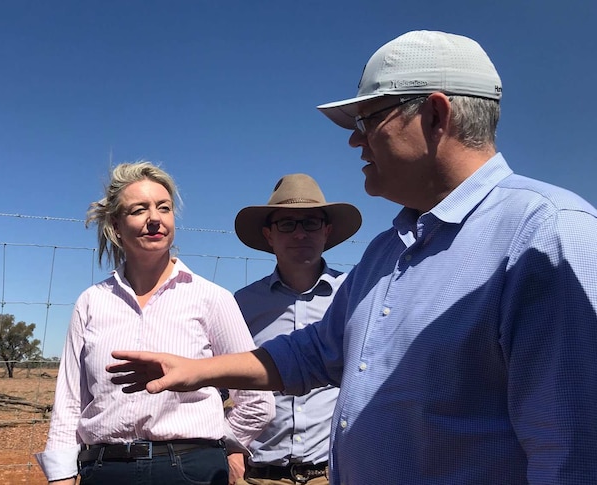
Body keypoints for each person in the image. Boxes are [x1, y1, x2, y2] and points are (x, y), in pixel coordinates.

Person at [107, 31, 597, 484]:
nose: (354, 140)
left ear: (436, 115)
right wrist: (197, 369)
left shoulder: (544, 235)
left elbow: (572, 448)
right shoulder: (390, 249)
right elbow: (318, 352)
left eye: (369, 120)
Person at [35, 161, 274, 485]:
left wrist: (223, 445)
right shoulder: (91, 302)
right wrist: (61, 475)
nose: (154, 218)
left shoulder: (211, 298)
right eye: (139, 209)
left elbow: (257, 400)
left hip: (193, 470)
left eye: (164, 207)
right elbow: (69, 401)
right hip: (107, 471)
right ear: (116, 225)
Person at [229, 173, 361, 485]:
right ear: (269, 234)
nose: (300, 233)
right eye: (287, 223)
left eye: (310, 222)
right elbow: (220, 384)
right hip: (260, 477)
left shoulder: (355, 295)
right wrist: (230, 446)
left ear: (326, 231)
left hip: (334, 475)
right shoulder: (242, 304)